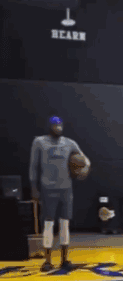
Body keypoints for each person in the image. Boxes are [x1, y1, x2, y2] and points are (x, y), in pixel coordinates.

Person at [29, 116, 90, 272]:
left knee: (65, 224)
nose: (58, 128)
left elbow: (86, 160)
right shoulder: (39, 142)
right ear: (49, 127)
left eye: (60, 125)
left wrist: (84, 170)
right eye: (55, 125)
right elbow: (33, 167)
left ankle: (64, 260)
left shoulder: (69, 143)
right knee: (48, 224)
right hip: (47, 189)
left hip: (66, 189)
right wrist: (34, 188)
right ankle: (47, 261)